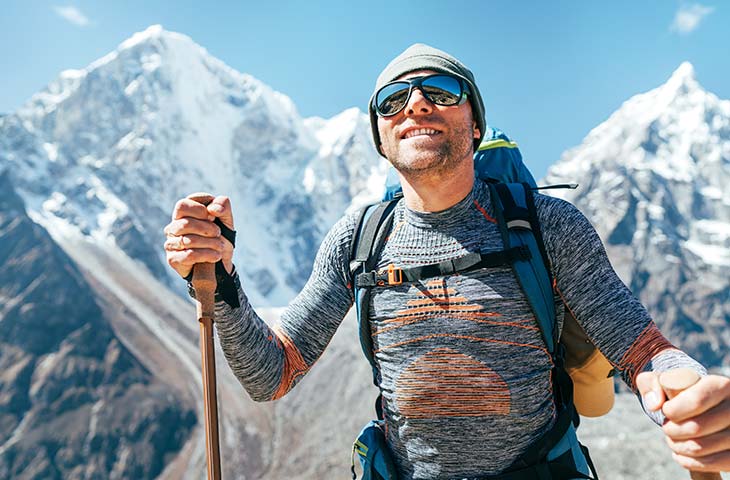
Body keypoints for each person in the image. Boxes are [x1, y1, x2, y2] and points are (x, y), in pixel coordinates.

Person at [164, 44, 730, 479]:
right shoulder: (357, 239)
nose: (416, 105)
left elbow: (644, 352)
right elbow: (273, 373)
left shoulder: (546, 225)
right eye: (393, 101)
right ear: (382, 138)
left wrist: (688, 396)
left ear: (475, 125)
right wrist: (222, 285)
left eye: (440, 90)